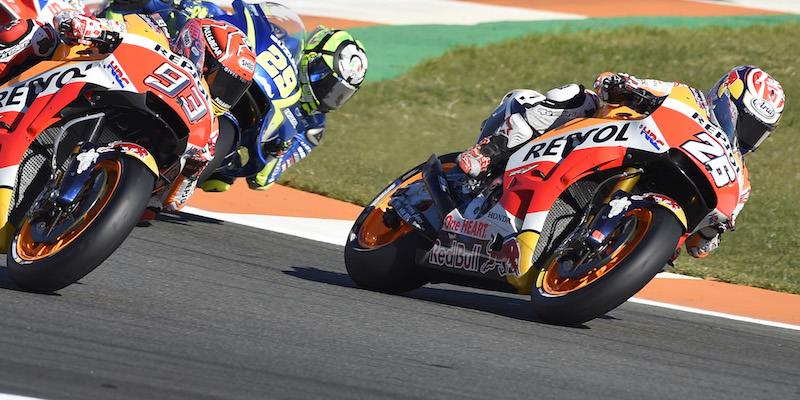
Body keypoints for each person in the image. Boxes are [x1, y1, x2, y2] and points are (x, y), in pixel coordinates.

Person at [457, 66, 785, 260]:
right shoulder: (684, 95)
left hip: (646, 213)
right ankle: (491, 151)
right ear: (724, 99)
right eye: (745, 122)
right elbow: (611, 82)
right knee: (576, 96)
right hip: (609, 144)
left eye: (759, 132)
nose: (748, 136)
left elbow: (699, 250)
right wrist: (623, 86)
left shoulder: (739, 182)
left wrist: (714, 231)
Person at [0, 7, 257, 215]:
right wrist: (89, 27)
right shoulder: (154, 32)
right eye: (222, 81)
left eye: (233, 89)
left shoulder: (208, 125)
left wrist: (186, 173)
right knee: (34, 34)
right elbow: (82, 22)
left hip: (127, 143)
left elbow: (174, 202)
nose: (223, 93)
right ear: (198, 47)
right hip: (82, 79)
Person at [96, 0, 369, 192]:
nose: (329, 95)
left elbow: (265, 180)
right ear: (312, 60)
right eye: (328, 82)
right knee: (175, 13)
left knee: (221, 184)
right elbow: (237, 25)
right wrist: (201, 11)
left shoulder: (314, 128)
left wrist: (278, 153)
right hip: (233, 81)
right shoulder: (285, 41)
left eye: (339, 93)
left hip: (234, 156)